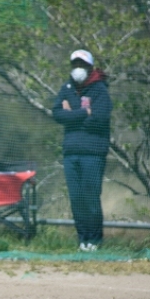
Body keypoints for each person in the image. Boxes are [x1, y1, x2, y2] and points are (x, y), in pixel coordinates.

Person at [52, 49, 112, 252]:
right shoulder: (67, 88)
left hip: (93, 153)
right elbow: (57, 114)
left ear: (90, 68)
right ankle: (83, 240)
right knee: (76, 199)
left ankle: (95, 240)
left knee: (90, 197)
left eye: (82, 65)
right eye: (75, 65)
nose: (78, 69)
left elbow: (99, 119)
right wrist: (84, 112)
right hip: (71, 152)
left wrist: (72, 115)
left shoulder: (100, 90)